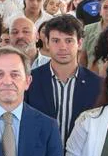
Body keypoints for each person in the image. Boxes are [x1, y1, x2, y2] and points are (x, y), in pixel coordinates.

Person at [25, 15, 102, 147]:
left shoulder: (97, 85)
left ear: (80, 43)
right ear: (47, 42)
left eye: (69, 40)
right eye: (56, 41)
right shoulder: (30, 81)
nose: (62, 47)